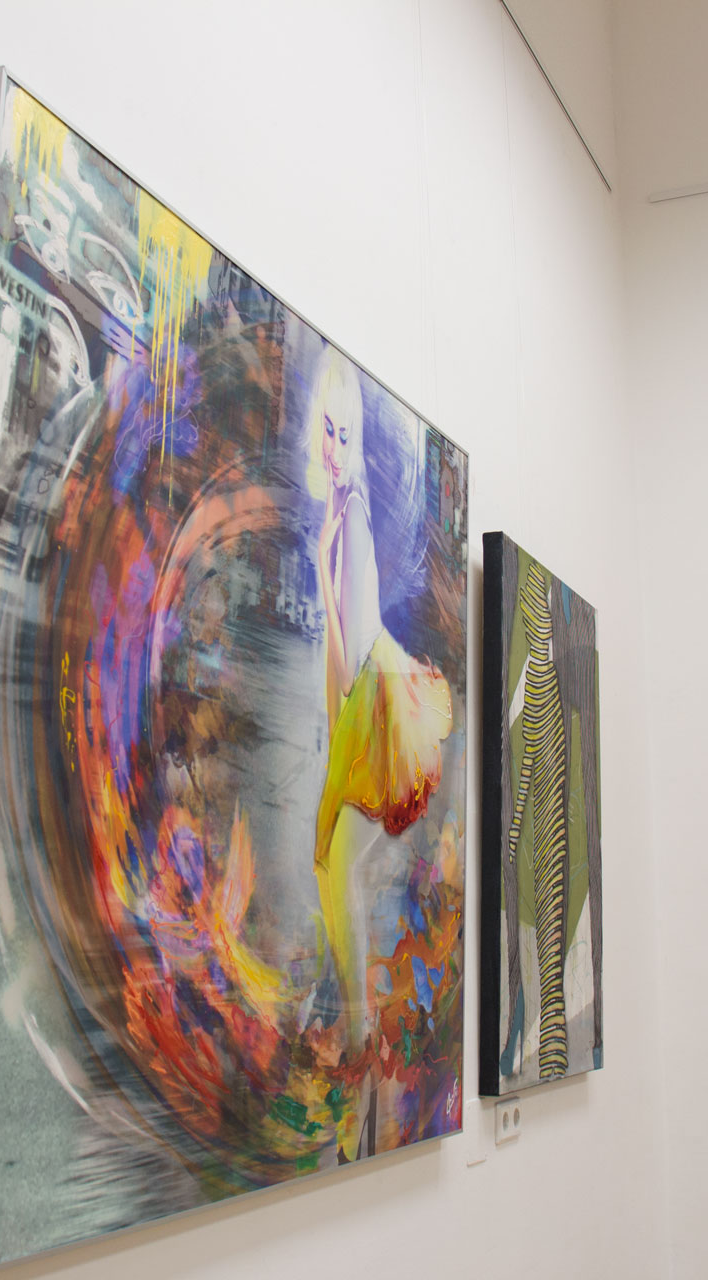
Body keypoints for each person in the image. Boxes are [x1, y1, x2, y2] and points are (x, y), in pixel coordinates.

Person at [304, 346, 453, 1158]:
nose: (333, 450)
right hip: (361, 703)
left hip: (377, 704)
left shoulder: (350, 520)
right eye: (325, 432)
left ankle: (360, 1062)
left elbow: (347, 665)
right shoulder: (336, 516)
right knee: (333, 869)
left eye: (344, 434)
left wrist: (324, 575)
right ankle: (354, 1051)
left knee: (335, 870)